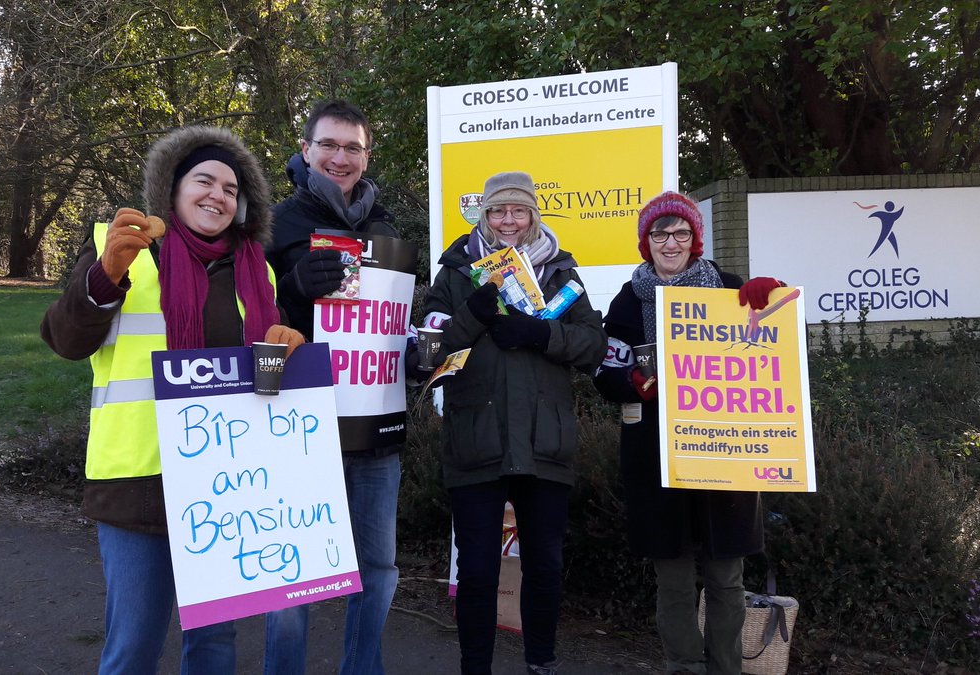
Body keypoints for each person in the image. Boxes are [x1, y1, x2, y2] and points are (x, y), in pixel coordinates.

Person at [41, 125, 304, 674]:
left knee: (213, 646)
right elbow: (65, 341)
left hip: (226, 487)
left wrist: (284, 353)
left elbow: (263, 393)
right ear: (173, 190)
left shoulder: (260, 274)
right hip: (137, 483)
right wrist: (103, 277)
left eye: (231, 189)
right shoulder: (127, 251)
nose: (217, 195)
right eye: (203, 180)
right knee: (134, 647)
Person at [422, 171, 607, 675]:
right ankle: (474, 667)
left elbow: (593, 343)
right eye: (498, 211)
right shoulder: (457, 271)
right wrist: (473, 315)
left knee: (544, 566)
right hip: (476, 438)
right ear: (484, 215)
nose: (508, 220)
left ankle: (540, 663)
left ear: (532, 216)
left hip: (544, 440)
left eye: (518, 211)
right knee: (478, 571)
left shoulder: (561, 272)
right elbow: (428, 356)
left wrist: (541, 335)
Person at [592, 191, 783, 675]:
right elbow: (604, 370)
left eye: (681, 233)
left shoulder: (729, 288)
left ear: (695, 240)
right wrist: (628, 382)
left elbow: (779, 341)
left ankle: (726, 668)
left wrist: (774, 293)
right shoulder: (628, 299)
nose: (670, 242)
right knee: (673, 578)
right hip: (655, 454)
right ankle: (683, 666)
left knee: (726, 577)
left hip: (724, 451)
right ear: (645, 241)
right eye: (660, 233)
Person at [263, 99, 402, 675]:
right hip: (303, 423)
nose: (340, 157)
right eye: (329, 145)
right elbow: (249, 319)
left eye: (352, 147)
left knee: (379, 569)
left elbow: (392, 324)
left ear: (366, 157)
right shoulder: (275, 224)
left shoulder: (386, 229)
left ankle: (361, 669)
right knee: (294, 573)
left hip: (374, 426)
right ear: (306, 150)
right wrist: (292, 286)